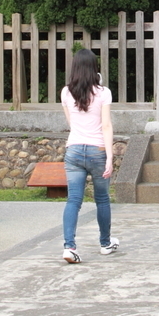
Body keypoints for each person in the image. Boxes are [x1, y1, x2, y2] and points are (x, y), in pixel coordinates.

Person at [59, 48, 119, 263]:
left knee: (73, 200)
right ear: (95, 68)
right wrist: (110, 157)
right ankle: (105, 243)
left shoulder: (66, 93)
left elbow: (71, 123)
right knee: (102, 199)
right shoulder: (103, 92)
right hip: (97, 151)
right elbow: (106, 126)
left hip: (74, 149)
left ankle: (69, 247)